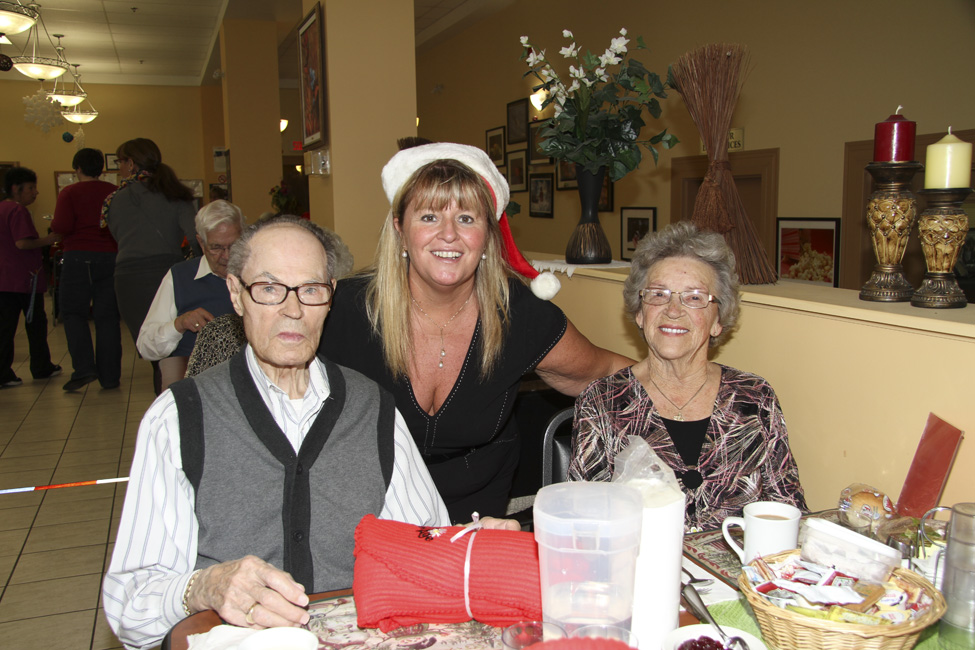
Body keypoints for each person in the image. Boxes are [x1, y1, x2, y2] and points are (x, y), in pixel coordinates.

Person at [104, 216, 455, 650]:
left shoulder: (374, 408)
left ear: (329, 298)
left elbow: (430, 546)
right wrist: (202, 587)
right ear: (236, 295)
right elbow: (129, 606)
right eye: (269, 289)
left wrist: (470, 550)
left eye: (310, 289)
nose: (293, 310)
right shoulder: (179, 418)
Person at [320, 143, 634, 522]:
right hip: (369, 507)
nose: (449, 235)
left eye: (467, 218)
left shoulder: (520, 313)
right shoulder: (341, 310)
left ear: (487, 234)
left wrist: (697, 383)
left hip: (476, 516)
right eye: (430, 217)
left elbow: (605, 370)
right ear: (400, 228)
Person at [568, 222, 807, 531]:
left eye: (694, 298)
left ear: (718, 320)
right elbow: (581, 523)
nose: (673, 310)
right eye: (658, 294)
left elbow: (789, 510)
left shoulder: (754, 397)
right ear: (640, 313)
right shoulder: (603, 401)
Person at [102, 137, 200, 394]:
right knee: (174, 345)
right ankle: (177, 402)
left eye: (120, 162)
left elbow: (116, 236)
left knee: (152, 346)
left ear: (131, 163)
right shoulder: (176, 193)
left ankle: (165, 407)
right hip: (169, 273)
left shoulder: (114, 200)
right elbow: (195, 236)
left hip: (129, 279)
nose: (119, 168)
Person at [136, 200, 244, 391]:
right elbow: (145, 347)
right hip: (197, 382)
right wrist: (179, 324)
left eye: (233, 246)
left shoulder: (258, 276)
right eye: (217, 247)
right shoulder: (180, 277)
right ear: (201, 243)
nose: (227, 256)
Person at [50, 148, 122, 392]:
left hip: (78, 257)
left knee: (74, 314)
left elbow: (61, 225)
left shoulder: (69, 192)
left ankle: (84, 369)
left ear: (77, 168)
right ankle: (110, 377)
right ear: (101, 168)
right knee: (108, 318)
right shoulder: (113, 192)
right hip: (110, 257)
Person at [1, 167, 62, 388]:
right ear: (16, 189)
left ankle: (3, 373)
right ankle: (41, 367)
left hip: (4, 280)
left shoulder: (1, 209)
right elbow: (22, 243)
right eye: (31, 188)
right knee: (35, 325)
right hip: (23, 280)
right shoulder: (17, 211)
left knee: (5, 328)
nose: (35, 193)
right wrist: (49, 240)